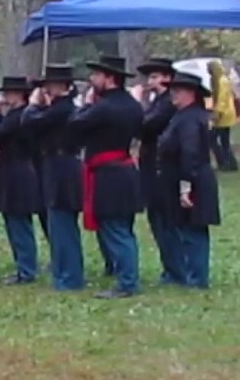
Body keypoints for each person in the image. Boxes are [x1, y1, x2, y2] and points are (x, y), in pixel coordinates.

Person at [69, 56, 144, 299]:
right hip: (125, 169)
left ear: (109, 78)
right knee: (123, 228)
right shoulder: (132, 105)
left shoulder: (103, 107)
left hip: (109, 174)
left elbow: (75, 124)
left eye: (96, 75)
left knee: (116, 229)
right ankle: (127, 276)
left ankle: (127, 282)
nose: (92, 80)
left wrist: (87, 104)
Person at [22, 65, 84, 290]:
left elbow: (29, 121)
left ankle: (70, 276)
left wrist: (32, 105)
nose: (46, 89)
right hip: (55, 164)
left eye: (51, 85)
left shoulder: (62, 109)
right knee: (57, 223)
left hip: (62, 167)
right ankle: (63, 272)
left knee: (63, 224)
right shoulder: (58, 108)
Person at [158, 72, 221, 289]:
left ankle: (197, 279)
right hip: (188, 177)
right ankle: (193, 275)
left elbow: (190, 152)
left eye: (178, 90)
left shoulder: (191, 118)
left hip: (193, 179)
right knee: (188, 229)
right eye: (172, 89)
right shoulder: (183, 115)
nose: (173, 93)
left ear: (191, 93)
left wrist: (186, 187)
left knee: (193, 231)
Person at [0, 77, 42, 284]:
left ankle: (26, 269)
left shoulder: (18, 117)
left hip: (17, 170)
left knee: (19, 221)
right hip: (14, 168)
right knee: (14, 220)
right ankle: (24, 266)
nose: (5, 97)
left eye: (9, 93)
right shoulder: (19, 115)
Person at [137, 57, 185, 286]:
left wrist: (137, 103)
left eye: (155, 76)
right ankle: (170, 268)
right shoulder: (157, 101)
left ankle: (177, 270)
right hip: (150, 167)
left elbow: (146, 126)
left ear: (167, 78)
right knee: (156, 220)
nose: (150, 81)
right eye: (150, 77)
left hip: (162, 169)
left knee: (166, 221)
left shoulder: (167, 103)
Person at [206, 60, 240, 171]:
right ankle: (229, 163)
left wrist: (217, 114)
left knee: (214, 139)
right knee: (222, 140)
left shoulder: (222, 81)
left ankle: (226, 163)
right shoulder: (216, 80)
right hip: (222, 113)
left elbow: (222, 99)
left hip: (224, 114)